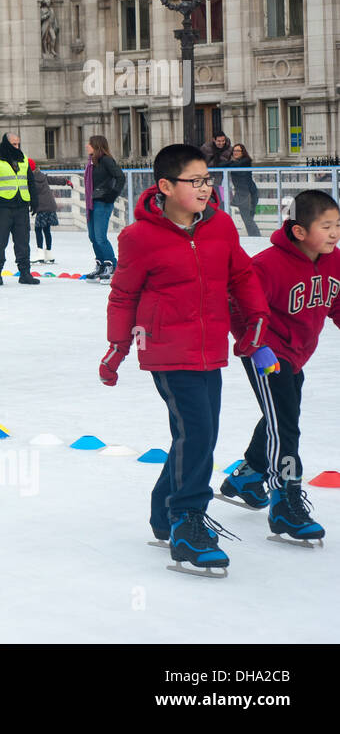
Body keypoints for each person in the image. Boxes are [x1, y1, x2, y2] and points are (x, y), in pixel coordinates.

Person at [100, 143, 273, 577]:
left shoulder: (220, 227)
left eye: (207, 179)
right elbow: (123, 295)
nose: (204, 188)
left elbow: (241, 275)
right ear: (165, 186)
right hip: (166, 349)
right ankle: (186, 522)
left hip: (210, 346)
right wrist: (117, 348)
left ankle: (164, 514)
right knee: (197, 431)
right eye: (194, 181)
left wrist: (254, 318)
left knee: (196, 433)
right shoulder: (139, 237)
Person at [221, 190, 339, 545]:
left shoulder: (334, 261)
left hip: (297, 351)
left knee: (281, 415)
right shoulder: (267, 265)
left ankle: (248, 474)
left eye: (338, 225)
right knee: (285, 425)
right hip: (267, 354)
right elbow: (236, 306)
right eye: (326, 226)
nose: (335, 233)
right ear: (300, 231)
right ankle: (284, 500)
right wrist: (255, 348)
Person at [0, 133, 38, 285]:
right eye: (13, 144)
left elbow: (30, 181)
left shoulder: (23, 159)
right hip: (2, 208)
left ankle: (25, 273)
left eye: (18, 144)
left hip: (21, 207)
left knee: (23, 242)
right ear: (6, 143)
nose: (17, 147)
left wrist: (35, 200)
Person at [82, 135, 126, 280]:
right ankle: (101, 265)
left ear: (96, 146)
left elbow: (120, 177)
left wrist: (112, 194)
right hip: (92, 202)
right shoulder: (92, 162)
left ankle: (111, 265)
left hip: (103, 202)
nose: (87, 146)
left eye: (89, 144)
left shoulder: (106, 160)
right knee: (93, 236)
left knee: (100, 237)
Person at [30, 168, 73, 264]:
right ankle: (49, 254)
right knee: (46, 230)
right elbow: (54, 180)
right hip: (50, 205)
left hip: (42, 207)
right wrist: (66, 181)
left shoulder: (30, 179)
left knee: (38, 229)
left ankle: (40, 254)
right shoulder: (43, 176)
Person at [227, 144, 261, 238]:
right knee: (248, 218)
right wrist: (230, 162)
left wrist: (231, 162)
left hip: (250, 193)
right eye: (234, 151)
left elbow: (237, 164)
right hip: (241, 193)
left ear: (243, 152)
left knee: (248, 218)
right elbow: (221, 165)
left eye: (238, 151)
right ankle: (255, 237)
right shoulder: (232, 163)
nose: (236, 153)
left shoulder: (246, 161)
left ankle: (256, 237)